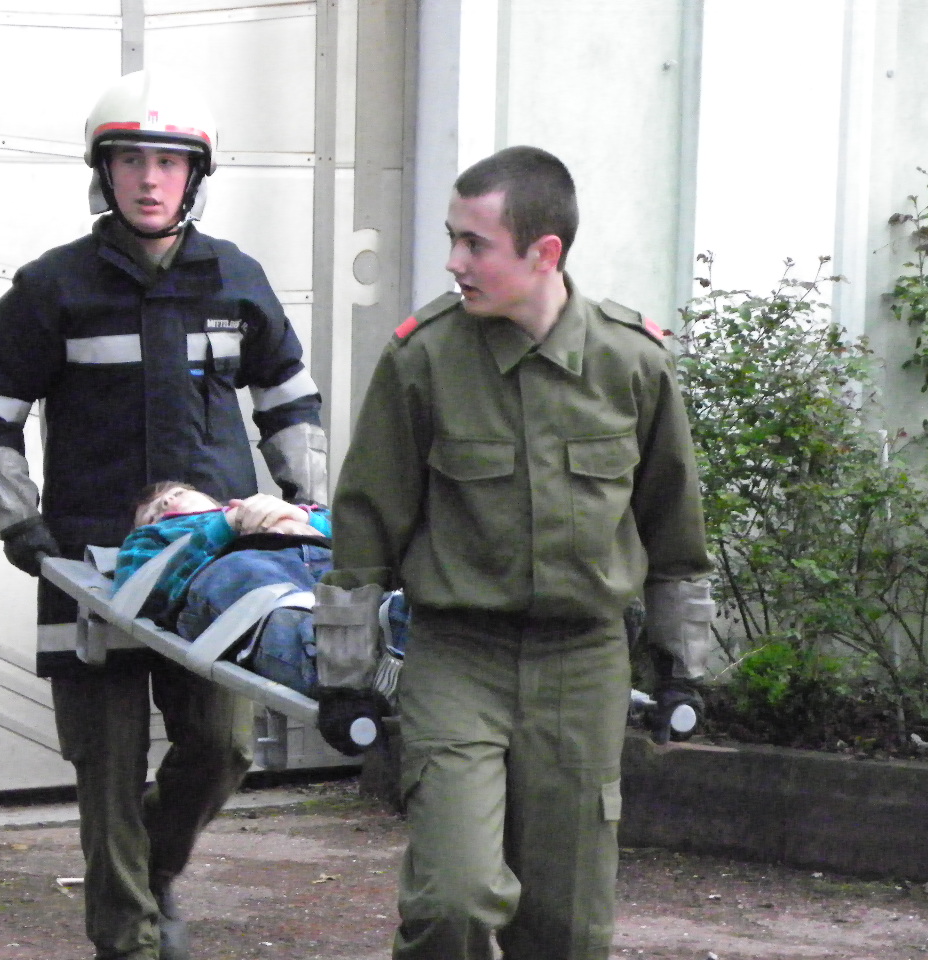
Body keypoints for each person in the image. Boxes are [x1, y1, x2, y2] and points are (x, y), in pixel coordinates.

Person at [0, 71, 327, 960]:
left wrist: (305, 506)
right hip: (92, 568)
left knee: (224, 746)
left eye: (168, 162)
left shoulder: (236, 279)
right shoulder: (54, 287)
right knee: (109, 766)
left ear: (195, 174)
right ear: (105, 171)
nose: (149, 179)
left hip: (216, 568)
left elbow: (289, 399)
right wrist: (18, 519)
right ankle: (128, 941)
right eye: (130, 160)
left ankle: (152, 870)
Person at [313, 146, 715, 960]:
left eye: (475, 243)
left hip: (583, 665)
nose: (454, 262)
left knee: (567, 929)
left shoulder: (632, 363)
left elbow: (674, 527)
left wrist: (684, 666)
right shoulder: (424, 360)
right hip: (460, 659)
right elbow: (366, 522)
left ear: (544, 252)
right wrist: (345, 676)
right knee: (452, 899)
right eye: (452, 239)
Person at [114, 481, 407, 711]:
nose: (166, 501)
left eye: (177, 493)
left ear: (214, 500)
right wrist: (225, 526)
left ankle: (401, 637)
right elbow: (140, 587)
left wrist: (301, 516)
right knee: (278, 606)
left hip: (319, 556)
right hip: (235, 569)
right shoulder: (151, 539)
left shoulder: (269, 507)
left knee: (368, 595)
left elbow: (359, 532)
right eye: (153, 514)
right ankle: (346, 677)